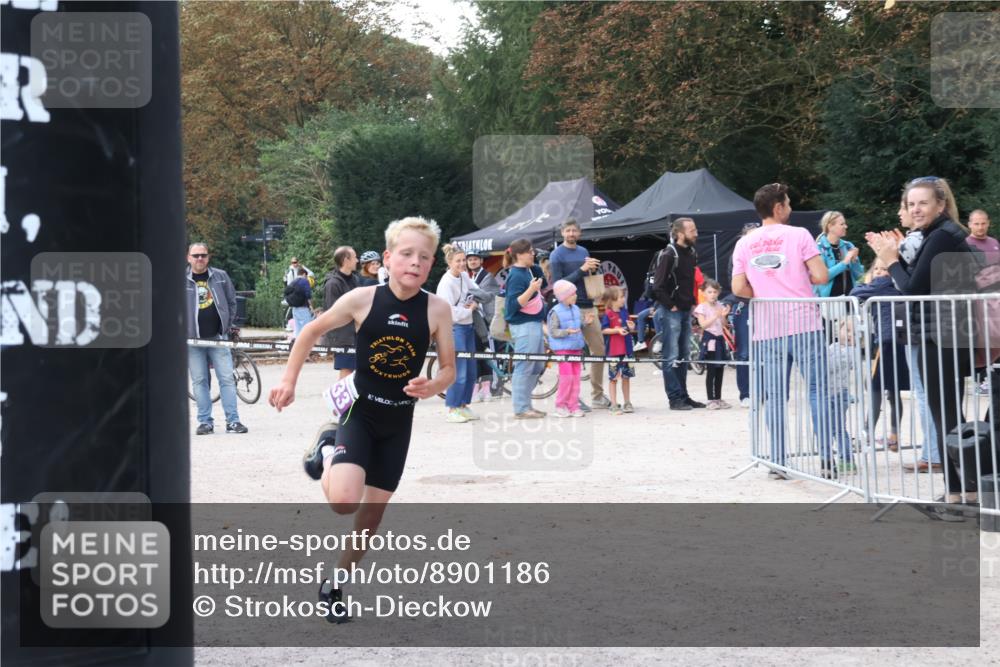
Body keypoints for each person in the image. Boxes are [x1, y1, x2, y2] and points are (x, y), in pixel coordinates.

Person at [269, 216, 456, 624]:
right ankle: (327, 447)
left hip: (398, 423)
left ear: (430, 266)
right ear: (388, 258)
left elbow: (449, 370)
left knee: (369, 520)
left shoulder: (438, 309)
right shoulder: (363, 300)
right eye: (406, 254)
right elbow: (310, 331)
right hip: (359, 412)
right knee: (343, 502)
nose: (415, 262)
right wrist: (288, 380)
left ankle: (333, 584)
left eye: (424, 257)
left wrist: (433, 384)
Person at [867, 176, 978, 505]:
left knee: (945, 413)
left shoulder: (942, 235)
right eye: (911, 203)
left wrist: (889, 259)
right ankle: (959, 490)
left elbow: (912, 288)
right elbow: (916, 283)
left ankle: (964, 491)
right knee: (944, 412)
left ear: (940, 205)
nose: (916, 209)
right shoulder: (937, 234)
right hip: (940, 332)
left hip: (941, 334)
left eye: (923, 203)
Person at [731, 183, 830, 480]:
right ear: (778, 207)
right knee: (817, 390)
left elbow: (737, 288)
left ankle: (778, 461)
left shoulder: (744, 243)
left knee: (775, 396)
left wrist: (762, 291)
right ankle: (827, 458)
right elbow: (822, 275)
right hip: (803, 322)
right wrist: (801, 279)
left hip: (767, 327)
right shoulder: (799, 235)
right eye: (788, 202)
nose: (790, 207)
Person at [185, 243, 248, 435]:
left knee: (227, 379)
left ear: (208, 257)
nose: (199, 259)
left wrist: (228, 326)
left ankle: (233, 421)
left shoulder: (220, 276)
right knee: (200, 381)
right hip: (192, 341)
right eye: (195, 256)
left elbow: (231, 301)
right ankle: (205, 422)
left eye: (203, 255)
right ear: (188, 258)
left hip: (219, 338)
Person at [548, 220, 611, 410]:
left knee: (598, 350)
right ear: (562, 232)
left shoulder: (583, 251)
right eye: (568, 230)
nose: (571, 233)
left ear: (579, 232)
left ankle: (597, 395)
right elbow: (558, 285)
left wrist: (591, 269)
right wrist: (581, 270)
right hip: (567, 308)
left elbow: (586, 277)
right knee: (570, 354)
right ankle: (571, 398)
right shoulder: (556, 255)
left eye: (574, 230)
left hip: (588, 305)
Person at [850, 259, 911, 456]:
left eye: (883, 269)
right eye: (875, 268)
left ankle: (867, 433)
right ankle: (894, 435)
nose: (878, 272)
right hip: (902, 341)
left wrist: (868, 281)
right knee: (894, 392)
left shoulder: (878, 286)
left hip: (885, 343)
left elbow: (854, 293)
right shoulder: (900, 286)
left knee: (876, 388)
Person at [652, 217, 704, 411]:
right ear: (680, 233)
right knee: (671, 354)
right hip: (671, 311)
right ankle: (674, 398)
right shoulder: (669, 254)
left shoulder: (691, 253)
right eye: (692, 230)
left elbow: (690, 282)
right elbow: (658, 286)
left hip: (685, 311)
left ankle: (684, 395)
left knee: (683, 355)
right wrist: (670, 305)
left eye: (695, 229)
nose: (696, 233)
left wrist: (691, 304)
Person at [503, 238, 548, 419]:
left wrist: (536, 267)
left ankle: (526, 403)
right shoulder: (515, 275)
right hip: (523, 325)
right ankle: (521, 408)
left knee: (537, 364)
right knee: (525, 365)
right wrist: (530, 290)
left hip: (533, 323)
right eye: (530, 252)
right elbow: (513, 305)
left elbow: (543, 282)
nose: (533, 254)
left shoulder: (529, 270)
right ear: (520, 255)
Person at [436, 244, 480, 423]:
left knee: (471, 370)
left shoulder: (463, 275)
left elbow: (476, 289)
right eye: (458, 261)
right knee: (459, 370)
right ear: (449, 262)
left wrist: (476, 300)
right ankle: (452, 407)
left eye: (464, 260)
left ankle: (463, 405)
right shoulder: (446, 283)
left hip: (468, 326)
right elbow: (450, 313)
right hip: (454, 328)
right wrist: (470, 310)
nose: (462, 264)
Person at [966, 210, 999, 396]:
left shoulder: (994, 243)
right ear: (969, 224)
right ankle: (978, 378)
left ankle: (990, 377)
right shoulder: (965, 244)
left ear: (988, 223)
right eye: (976, 224)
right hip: (977, 299)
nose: (980, 227)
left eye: (983, 223)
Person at [725, 222, 759, 407]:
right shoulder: (737, 255)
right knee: (744, 353)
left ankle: (763, 391)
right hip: (744, 306)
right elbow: (736, 284)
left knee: (764, 351)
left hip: (764, 306)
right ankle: (745, 393)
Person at [547, 280, 586, 418]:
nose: (575, 296)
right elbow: (553, 332)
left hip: (576, 348)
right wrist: (567, 332)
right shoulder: (555, 312)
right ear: (563, 296)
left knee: (576, 378)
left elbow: (581, 325)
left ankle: (573, 406)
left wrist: (586, 322)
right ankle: (560, 405)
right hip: (563, 350)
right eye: (572, 294)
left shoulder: (576, 309)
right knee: (566, 378)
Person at [467, 249, 501, 401]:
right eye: (470, 259)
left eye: (475, 259)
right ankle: (476, 387)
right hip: (471, 320)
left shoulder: (488, 277)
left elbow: (488, 296)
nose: (472, 262)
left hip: (485, 321)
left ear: (481, 261)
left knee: (486, 354)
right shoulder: (468, 277)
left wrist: (473, 298)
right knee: (475, 354)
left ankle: (488, 388)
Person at [693, 279, 732, 410]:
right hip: (709, 341)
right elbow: (703, 324)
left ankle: (718, 398)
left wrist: (723, 316)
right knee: (711, 370)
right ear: (703, 293)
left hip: (720, 339)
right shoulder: (702, 307)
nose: (713, 295)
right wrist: (715, 316)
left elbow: (724, 324)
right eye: (709, 292)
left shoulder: (720, 306)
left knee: (720, 370)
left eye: (715, 292)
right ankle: (711, 399)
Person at [826, 318, 858, 476]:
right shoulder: (834, 347)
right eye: (848, 331)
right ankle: (835, 457)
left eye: (855, 332)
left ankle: (847, 460)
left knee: (838, 429)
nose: (851, 335)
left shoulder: (851, 351)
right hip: (829, 392)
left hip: (839, 394)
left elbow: (832, 366)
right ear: (839, 331)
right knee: (831, 428)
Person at [323, 246, 359, 380]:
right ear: (346, 260)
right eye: (355, 257)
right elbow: (333, 312)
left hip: (355, 333)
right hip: (342, 336)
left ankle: (354, 401)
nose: (357, 260)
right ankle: (341, 401)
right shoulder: (333, 283)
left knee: (356, 373)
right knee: (346, 373)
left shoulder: (354, 279)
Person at [600, 286, 635, 415]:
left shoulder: (624, 311)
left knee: (627, 377)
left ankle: (627, 402)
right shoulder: (608, 314)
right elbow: (604, 330)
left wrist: (631, 327)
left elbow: (628, 326)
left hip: (627, 350)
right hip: (614, 352)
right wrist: (617, 330)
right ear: (612, 299)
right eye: (621, 297)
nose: (623, 299)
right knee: (613, 378)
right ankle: (614, 404)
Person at [814, 211, 864, 298]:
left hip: (850, 299)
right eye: (842, 224)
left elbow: (859, 276)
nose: (846, 226)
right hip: (828, 301)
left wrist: (855, 260)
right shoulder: (819, 248)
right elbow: (823, 276)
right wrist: (844, 263)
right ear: (830, 226)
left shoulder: (848, 246)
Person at [287, 267, 315, 339]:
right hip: (303, 308)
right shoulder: (304, 281)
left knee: (298, 329)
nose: (306, 278)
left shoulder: (293, 282)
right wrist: (311, 306)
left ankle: (297, 345)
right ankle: (308, 346)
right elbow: (308, 295)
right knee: (308, 327)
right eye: (306, 276)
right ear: (304, 274)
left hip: (294, 308)